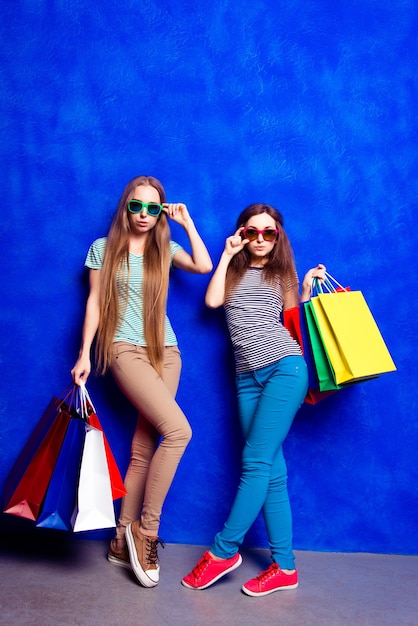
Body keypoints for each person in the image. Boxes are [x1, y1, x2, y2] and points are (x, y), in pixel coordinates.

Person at [71, 175, 212, 588]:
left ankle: (119, 542)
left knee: (143, 448)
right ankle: (145, 531)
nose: (145, 215)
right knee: (179, 431)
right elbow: (95, 302)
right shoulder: (103, 248)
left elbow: (203, 266)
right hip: (123, 349)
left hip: (166, 351)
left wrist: (186, 223)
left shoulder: (164, 249)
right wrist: (84, 353)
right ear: (125, 207)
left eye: (154, 208)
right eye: (138, 206)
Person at [181, 203, 325, 597]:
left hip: (284, 368)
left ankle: (224, 551)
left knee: (256, 462)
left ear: (278, 236)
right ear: (241, 234)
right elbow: (212, 302)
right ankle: (286, 567)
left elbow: (294, 321)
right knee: (271, 472)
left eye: (268, 233)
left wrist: (307, 289)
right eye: (251, 232)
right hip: (246, 379)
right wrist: (227, 254)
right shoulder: (234, 268)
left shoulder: (284, 273)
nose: (260, 239)